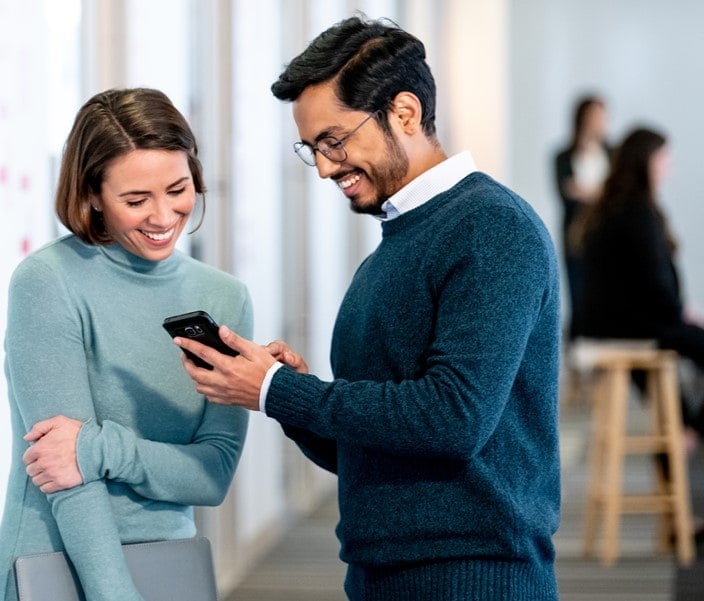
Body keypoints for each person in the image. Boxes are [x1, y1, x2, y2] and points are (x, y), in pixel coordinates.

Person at [173, 16, 561, 600]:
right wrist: (289, 396)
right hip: (389, 572)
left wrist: (280, 389)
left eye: (335, 140)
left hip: (473, 575)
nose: (326, 167)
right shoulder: (396, 243)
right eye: (312, 149)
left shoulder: (490, 227)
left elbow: (454, 419)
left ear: (404, 113)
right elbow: (376, 453)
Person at [0, 87, 253, 601]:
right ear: (91, 196)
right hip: (53, 567)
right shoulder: (47, 281)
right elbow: (67, 481)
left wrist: (97, 448)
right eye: (135, 200)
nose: (163, 215)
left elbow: (212, 474)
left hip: (171, 567)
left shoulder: (225, 297)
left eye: (177, 188)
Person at [572, 126, 704, 442]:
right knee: (685, 342)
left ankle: (681, 429)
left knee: (667, 362)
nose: (668, 167)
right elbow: (657, 287)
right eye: (663, 159)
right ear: (645, 163)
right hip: (632, 327)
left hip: (607, 325)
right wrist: (681, 314)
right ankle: (690, 432)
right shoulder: (639, 213)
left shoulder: (605, 209)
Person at [554, 95, 611, 339]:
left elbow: (612, 193)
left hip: (606, 231)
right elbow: (566, 191)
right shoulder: (564, 155)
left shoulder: (612, 152)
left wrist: (585, 190)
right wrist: (598, 192)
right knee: (577, 290)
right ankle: (578, 349)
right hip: (576, 232)